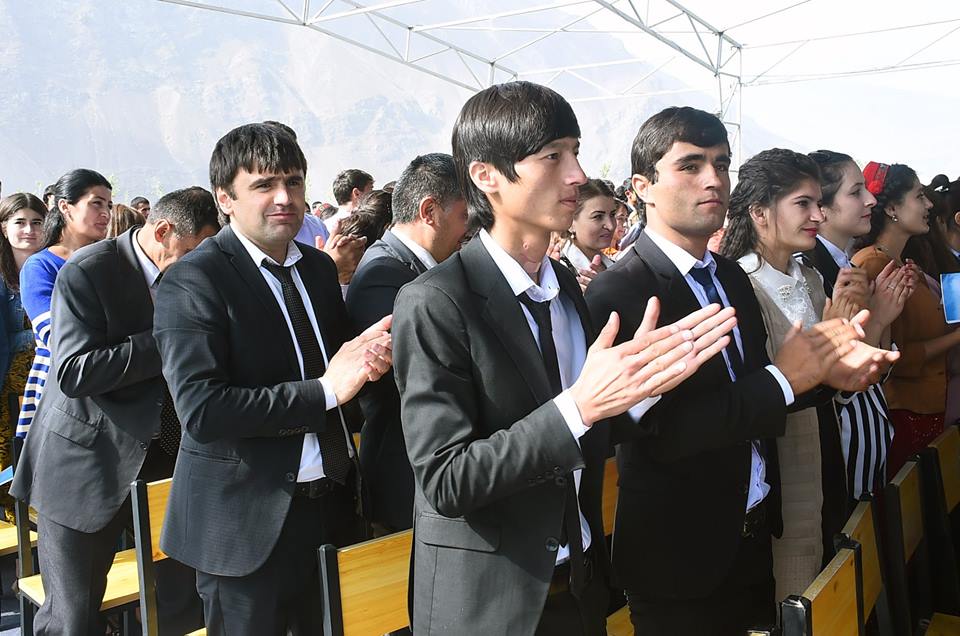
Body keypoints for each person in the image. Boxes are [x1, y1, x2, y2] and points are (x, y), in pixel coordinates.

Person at [393, 82, 737, 636]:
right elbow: (447, 479)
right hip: (489, 602)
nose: (577, 174)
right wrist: (580, 405)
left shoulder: (566, 289)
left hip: (579, 580)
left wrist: (640, 392)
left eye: (575, 152)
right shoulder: (436, 300)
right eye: (552, 157)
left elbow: (588, 432)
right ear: (486, 175)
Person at [585, 107, 891, 635]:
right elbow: (660, 432)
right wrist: (787, 378)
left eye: (722, 164)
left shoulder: (728, 276)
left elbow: (755, 391)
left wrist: (823, 380)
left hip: (754, 532)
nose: (713, 179)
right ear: (642, 187)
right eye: (690, 165)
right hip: (681, 557)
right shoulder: (623, 291)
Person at [153, 123, 392, 636]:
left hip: (331, 506)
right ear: (225, 199)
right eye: (264, 185)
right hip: (243, 523)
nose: (284, 197)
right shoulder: (194, 279)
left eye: (294, 182)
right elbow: (203, 410)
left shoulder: (318, 270)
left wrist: (371, 357)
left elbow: (339, 368)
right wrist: (326, 390)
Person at [10, 186, 219, 635]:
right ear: (162, 232)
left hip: (168, 460)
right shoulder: (89, 269)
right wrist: (169, 339)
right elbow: (74, 371)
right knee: (73, 616)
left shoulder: (195, 274)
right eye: (191, 252)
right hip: (85, 463)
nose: (199, 266)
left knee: (181, 605)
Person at [719, 148, 905, 598]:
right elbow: (759, 391)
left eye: (819, 203)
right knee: (794, 586)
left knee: (827, 577)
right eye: (802, 204)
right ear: (759, 212)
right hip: (783, 466)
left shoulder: (811, 277)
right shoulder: (741, 285)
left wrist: (862, 337)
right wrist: (830, 358)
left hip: (828, 451)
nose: (817, 216)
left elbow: (833, 381)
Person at [345, 152, 467, 535]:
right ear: (429, 211)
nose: (470, 229)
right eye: (465, 215)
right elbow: (418, 370)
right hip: (403, 474)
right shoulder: (384, 274)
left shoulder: (407, 266)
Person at [805, 149, 908, 501]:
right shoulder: (811, 273)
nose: (871, 199)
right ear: (821, 208)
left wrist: (882, 316)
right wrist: (876, 319)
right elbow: (833, 384)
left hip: (869, 437)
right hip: (845, 445)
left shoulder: (847, 267)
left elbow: (874, 368)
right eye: (855, 192)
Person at [852, 161, 960, 476]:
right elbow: (895, 357)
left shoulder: (903, 263)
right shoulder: (874, 266)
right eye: (919, 196)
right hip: (906, 414)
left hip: (929, 409)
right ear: (892, 209)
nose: (929, 205)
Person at [17, 168, 112, 438]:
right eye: (96, 203)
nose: (105, 213)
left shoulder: (112, 262)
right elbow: (55, 336)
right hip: (61, 385)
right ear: (65, 207)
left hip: (111, 381)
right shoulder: (41, 266)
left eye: (108, 205)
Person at [0, 193, 45, 521]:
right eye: (20, 222)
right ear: (4, 228)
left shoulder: (55, 268)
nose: (29, 230)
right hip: (8, 388)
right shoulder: (3, 281)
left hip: (48, 380)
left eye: (36, 222)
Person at [558, 178, 616, 291]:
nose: (610, 226)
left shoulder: (618, 266)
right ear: (570, 222)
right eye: (598, 217)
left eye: (612, 215)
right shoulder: (558, 273)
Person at [325, 168, 374, 232]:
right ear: (356, 193)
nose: (373, 194)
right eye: (371, 189)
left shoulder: (325, 226)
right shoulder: (367, 222)